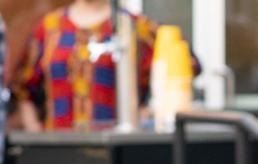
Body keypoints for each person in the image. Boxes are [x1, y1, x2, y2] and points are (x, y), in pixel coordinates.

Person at [11, 0, 161, 132]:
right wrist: (34, 130)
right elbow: (24, 88)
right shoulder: (49, 26)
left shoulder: (137, 27)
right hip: (58, 145)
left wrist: (143, 120)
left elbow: (162, 89)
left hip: (114, 145)